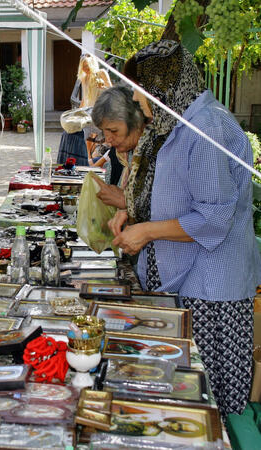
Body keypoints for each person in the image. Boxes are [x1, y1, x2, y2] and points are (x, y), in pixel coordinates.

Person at [109, 40, 261, 421]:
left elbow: (211, 218)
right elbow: (177, 194)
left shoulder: (206, 128)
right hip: (192, 280)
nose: (138, 103)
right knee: (187, 394)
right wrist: (133, 212)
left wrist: (146, 232)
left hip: (213, 290)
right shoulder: (184, 122)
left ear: (162, 88)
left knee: (206, 400)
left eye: (141, 94)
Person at [90, 85, 148, 209]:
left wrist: (126, 202)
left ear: (136, 123)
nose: (108, 139)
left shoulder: (154, 154)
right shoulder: (118, 155)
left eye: (114, 131)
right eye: (104, 131)